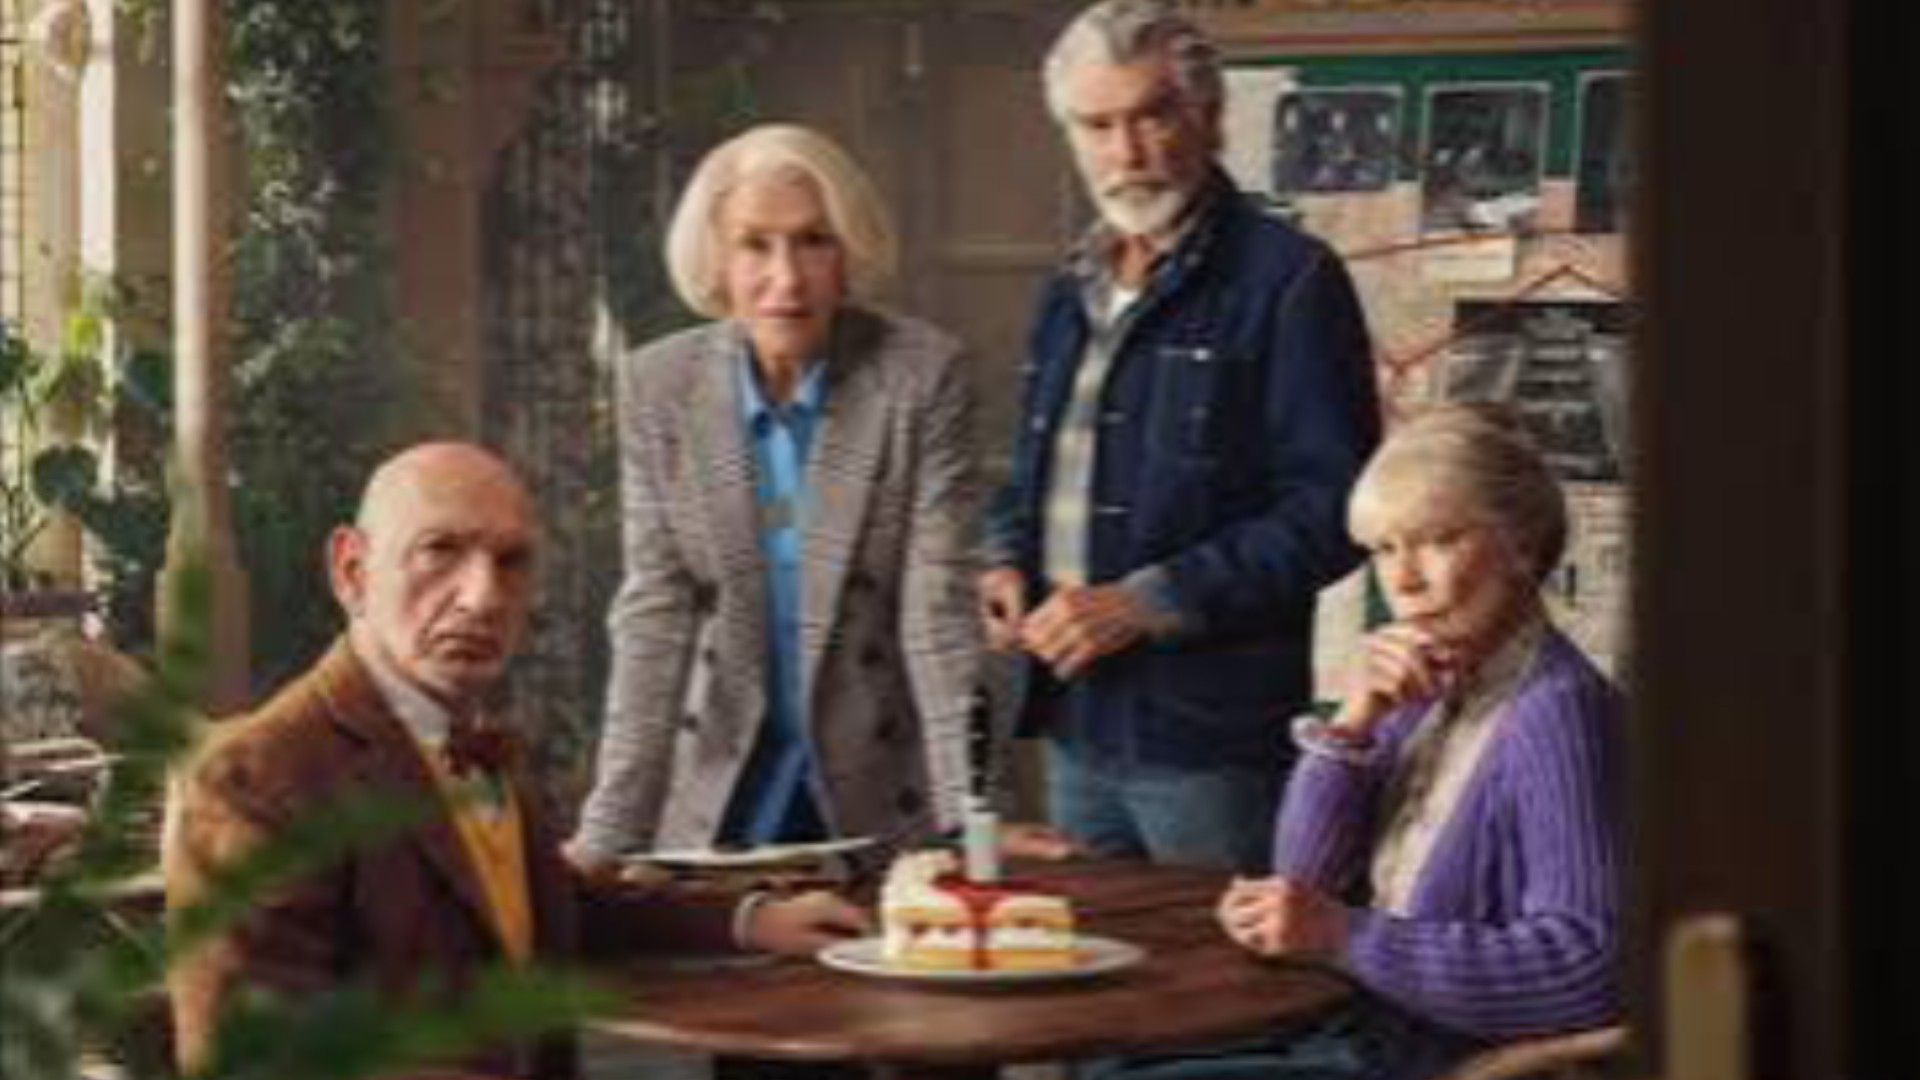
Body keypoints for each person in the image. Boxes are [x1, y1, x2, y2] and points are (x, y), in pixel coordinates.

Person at [165, 443, 868, 1079]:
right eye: (440, 550)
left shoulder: (472, 738)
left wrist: (753, 919)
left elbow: (562, 905)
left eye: (511, 562)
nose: (484, 597)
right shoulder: (255, 779)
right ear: (352, 571)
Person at [980, 0, 1382, 872]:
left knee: (1222, 960)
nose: (1125, 152)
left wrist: (1143, 603)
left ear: (1209, 115)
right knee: (1095, 958)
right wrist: (1003, 556)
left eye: (1151, 116)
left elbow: (1335, 512)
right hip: (1074, 720)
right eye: (1097, 126)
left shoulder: (1290, 280)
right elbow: (1034, 475)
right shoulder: (1068, 287)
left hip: (1213, 743)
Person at [1120, 405, 1625, 1080]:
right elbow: (1306, 876)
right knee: (1116, 1061)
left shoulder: (1558, 713)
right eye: (1385, 549)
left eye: (1438, 540)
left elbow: (1587, 966)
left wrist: (1343, 934)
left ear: (1523, 547)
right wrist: (1354, 719)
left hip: (1437, 1063)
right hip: (1351, 1033)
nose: (1404, 581)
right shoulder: (1429, 685)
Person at [568, 123, 996, 870]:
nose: (787, 279)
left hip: (880, 794)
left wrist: (972, 823)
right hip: (720, 792)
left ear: (849, 252)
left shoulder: (922, 378)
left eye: (813, 242)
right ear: (716, 257)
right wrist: (608, 833)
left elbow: (939, 616)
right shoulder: (658, 388)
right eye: (754, 245)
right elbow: (655, 616)